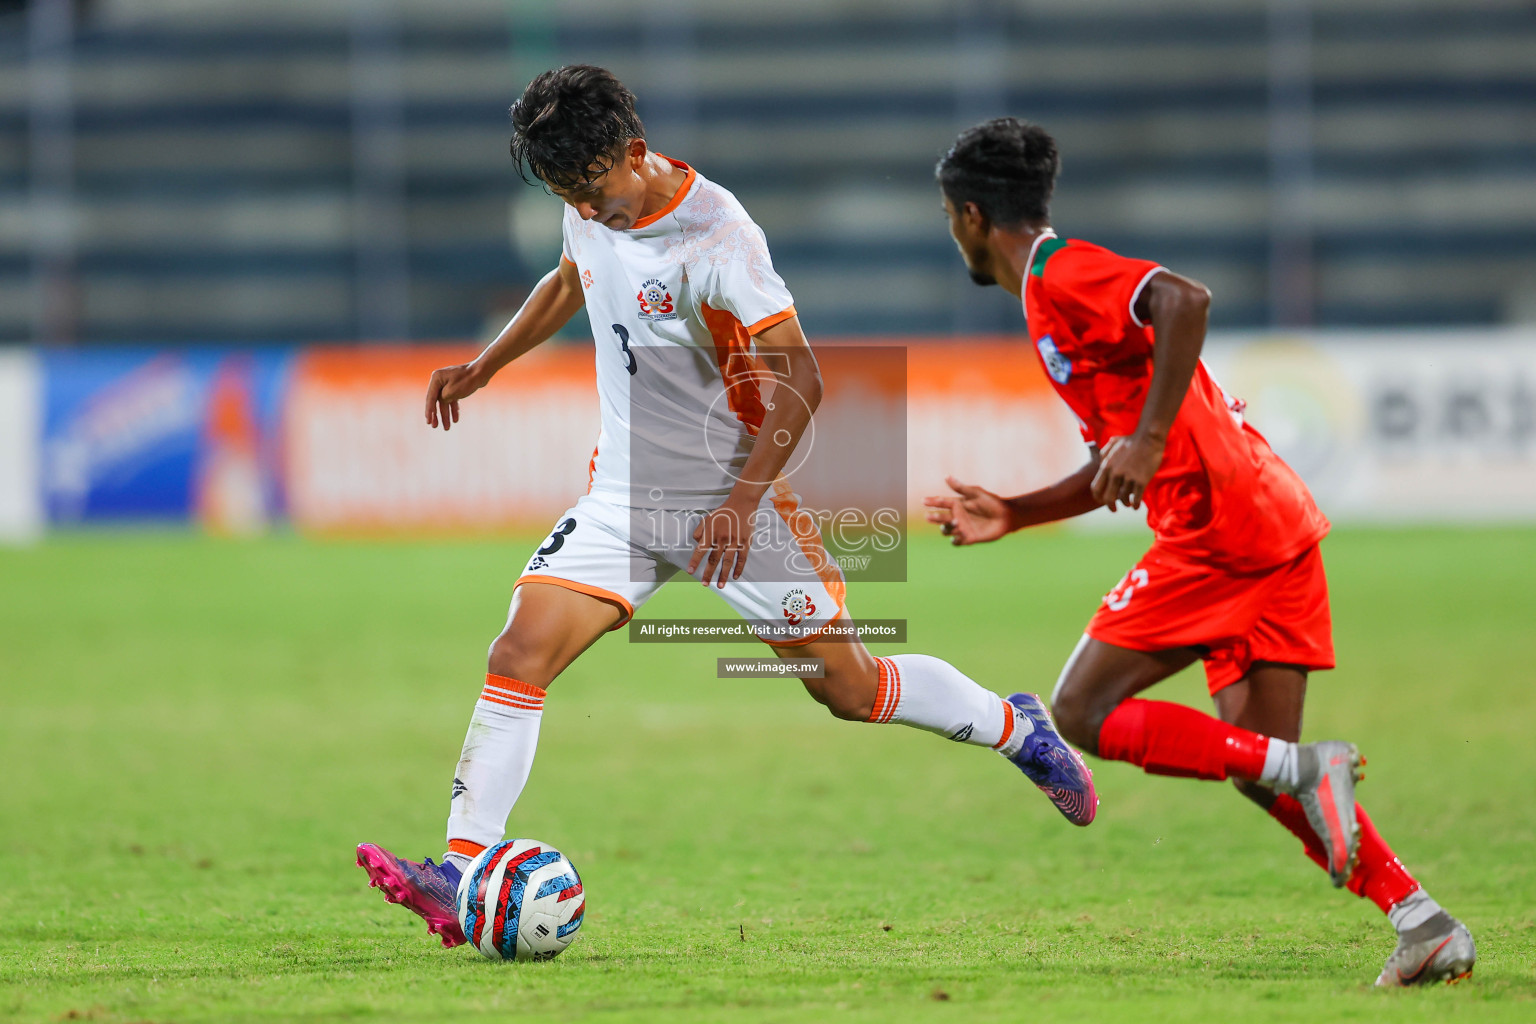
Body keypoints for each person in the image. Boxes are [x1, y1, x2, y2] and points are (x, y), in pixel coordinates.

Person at [356, 68, 1097, 948]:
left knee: (851, 692)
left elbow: (805, 380)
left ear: (634, 153)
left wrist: (741, 505)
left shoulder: (721, 238)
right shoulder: (586, 197)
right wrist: (485, 364)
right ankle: (463, 870)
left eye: (594, 192)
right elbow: (569, 277)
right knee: (518, 649)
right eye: (568, 198)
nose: (588, 212)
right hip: (624, 497)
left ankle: (1017, 727)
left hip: (731, 500)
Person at [925, 117, 1476, 988]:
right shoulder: (1048, 296)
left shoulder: (1056, 270)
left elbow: (1186, 298)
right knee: (1256, 763)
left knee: (1080, 713)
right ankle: (1423, 922)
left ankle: (1307, 765)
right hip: (1271, 515)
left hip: (1219, 526)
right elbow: (1114, 456)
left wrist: (1145, 440)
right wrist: (1019, 511)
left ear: (965, 216)